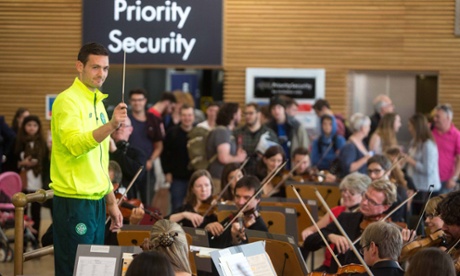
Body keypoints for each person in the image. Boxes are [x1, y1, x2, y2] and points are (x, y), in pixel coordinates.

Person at [49, 42, 124, 276]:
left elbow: (100, 163)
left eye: (105, 68)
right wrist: (111, 125)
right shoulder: (67, 101)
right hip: (74, 201)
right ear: (79, 66)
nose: (101, 74)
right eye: (95, 67)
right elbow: (75, 146)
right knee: (74, 270)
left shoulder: (98, 103)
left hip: (96, 201)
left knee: (93, 271)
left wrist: (111, 201)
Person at [303, 179, 412, 274]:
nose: (364, 203)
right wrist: (330, 236)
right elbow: (309, 243)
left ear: (385, 207)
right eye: (365, 196)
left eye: (372, 202)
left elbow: (392, 269)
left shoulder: (388, 232)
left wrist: (404, 248)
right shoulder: (346, 218)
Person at [301, 172, 371, 272]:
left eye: (351, 192)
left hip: (350, 269)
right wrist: (311, 232)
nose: (345, 194)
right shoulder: (337, 211)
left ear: (364, 195)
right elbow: (314, 230)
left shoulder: (363, 218)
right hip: (329, 265)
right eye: (344, 190)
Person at [206, 175, 268, 248]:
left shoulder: (260, 228)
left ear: (258, 200)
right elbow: (216, 243)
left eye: (246, 198)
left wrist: (235, 239)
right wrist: (208, 228)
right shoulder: (234, 217)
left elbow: (249, 255)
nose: (240, 202)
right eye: (237, 196)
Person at [14, 115, 50, 239]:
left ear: (38, 127)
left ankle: (35, 241)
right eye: (29, 125)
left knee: (36, 213)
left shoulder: (42, 143)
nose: (32, 128)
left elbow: (45, 162)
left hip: (38, 183)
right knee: (21, 214)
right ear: (24, 126)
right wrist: (22, 163)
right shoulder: (18, 142)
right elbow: (12, 161)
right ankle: (22, 241)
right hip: (22, 183)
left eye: (34, 125)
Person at [128, 88, 163, 205]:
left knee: (147, 202)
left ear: (145, 101)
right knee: (129, 203)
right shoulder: (126, 120)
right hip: (129, 168)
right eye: (134, 100)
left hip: (147, 168)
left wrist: (151, 160)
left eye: (140, 100)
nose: (137, 103)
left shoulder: (153, 120)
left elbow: (159, 146)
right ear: (130, 102)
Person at [404, 113, 441, 214]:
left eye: (410, 126)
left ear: (417, 127)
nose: (409, 128)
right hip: (417, 185)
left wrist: (410, 160)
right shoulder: (415, 141)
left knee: (422, 218)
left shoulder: (427, 145)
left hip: (426, 187)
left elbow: (427, 169)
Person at [206, 102, 247, 192]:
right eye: (239, 114)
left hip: (224, 178)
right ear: (233, 115)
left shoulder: (228, 132)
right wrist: (239, 158)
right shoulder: (222, 132)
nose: (241, 117)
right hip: (219, 179)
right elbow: (223, 158)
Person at [162, 104, 195, 211]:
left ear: (193, 117)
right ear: (180, 117)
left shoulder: (198, 133)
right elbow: (164, 154)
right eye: (184, 115)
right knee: (177, 206)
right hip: (177, 178)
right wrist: (167, 172)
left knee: (194, 206)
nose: (187, 118)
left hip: (195, 177)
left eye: (189, 115)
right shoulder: (172, 133)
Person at [233, 103, 278, 175]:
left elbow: (276, 154)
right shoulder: (237, 133)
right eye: (246, 114)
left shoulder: (269, 134)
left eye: (251, 113)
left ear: (259, 114)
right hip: (242, 173)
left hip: (263, 173)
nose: (247, 116)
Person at [266, 95, 310, 168]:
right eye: (273, 108)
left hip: (294, 166)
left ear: (284, 109)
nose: (276, 111)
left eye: (279, 108)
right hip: (275, 166)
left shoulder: (297, 126)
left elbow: (305, 149)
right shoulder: (268, 128)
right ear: (270, 111)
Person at [109, 116, 147, 200]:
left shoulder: (138, 153)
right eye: (117, 125)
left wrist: (115, 151)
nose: (119, 128)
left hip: (128, 200)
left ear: (130, 130)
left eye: (123, 125)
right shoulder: (104, 152)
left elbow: (137, 174)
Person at [366, 154, 407, 223]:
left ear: (388, 172)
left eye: (377, 171)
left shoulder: (399, 191)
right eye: (370, 171)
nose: (372, 176)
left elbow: (398, 217)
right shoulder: (367, 188)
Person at [432, 104, 460, 194]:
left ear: (448, 118)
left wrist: (454, 178)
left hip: (446, 181)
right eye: (435, 116)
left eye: (438, 116)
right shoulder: (430, 132)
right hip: (430, 179)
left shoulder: (456, 135)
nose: (434, 119)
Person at [337, 113, 372, 178]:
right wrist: (366, 158)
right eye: (368, 126)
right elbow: (349, 168)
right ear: (362, 128)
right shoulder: (350, 146)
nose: (369, 129)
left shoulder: (362, 142)